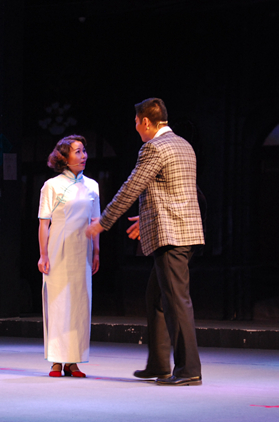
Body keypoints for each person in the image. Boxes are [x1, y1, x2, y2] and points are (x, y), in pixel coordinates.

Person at [86, 98, 205, 386]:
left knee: (176, 302)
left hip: (171, 236)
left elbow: (131, 187)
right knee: (157, 298)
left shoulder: (154, 147)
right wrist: (148, 217)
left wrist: (103, 222)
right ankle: (159, 364)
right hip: (184, 231)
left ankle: (189, 370)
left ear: (147, 122)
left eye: (137, 123)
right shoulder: (183, 145)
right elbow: (177, 190)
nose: (136, 128)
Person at [38, 134, 100, 378]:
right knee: (58, 303)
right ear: (64, 157)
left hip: (82, 250)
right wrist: (43, 255)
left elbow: (96, 221)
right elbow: (44, 223)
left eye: (84, 151)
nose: (83, 156)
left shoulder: (92, 186)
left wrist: (96, 251)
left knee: (79, 304)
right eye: (77, 151)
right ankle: (56, 360)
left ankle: (73, 361)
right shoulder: (51, 185)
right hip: (58, 248)